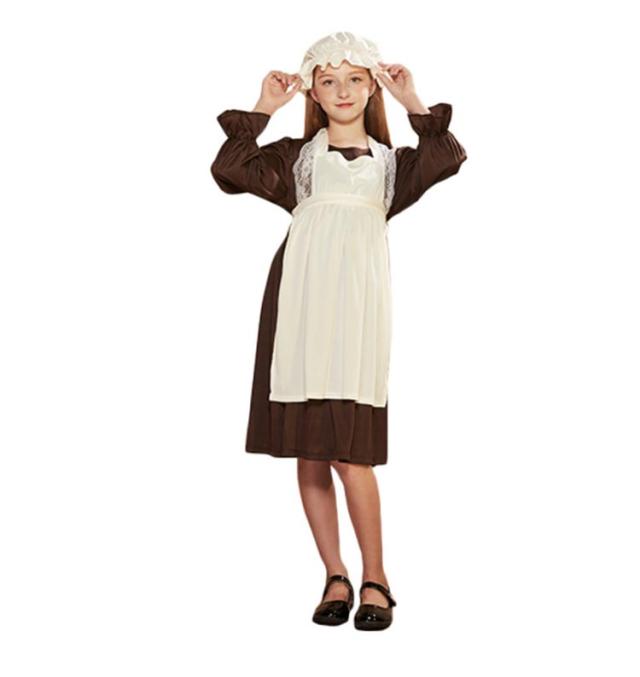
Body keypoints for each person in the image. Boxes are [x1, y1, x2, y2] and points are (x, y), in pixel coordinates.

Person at [211, 31, 467, 631]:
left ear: (371, 85)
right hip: (299, 305)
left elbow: (448, 156)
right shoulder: (295, 160)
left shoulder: (393, 166)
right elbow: (229, 168)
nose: (343, 91)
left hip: (358, 312)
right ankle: (334, 574)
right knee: (310, 449)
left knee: (352, 454)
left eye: (354, 79)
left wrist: (411, 100)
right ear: (315, 92)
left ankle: (377, 578)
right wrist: (265, 106)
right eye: (328, 81)